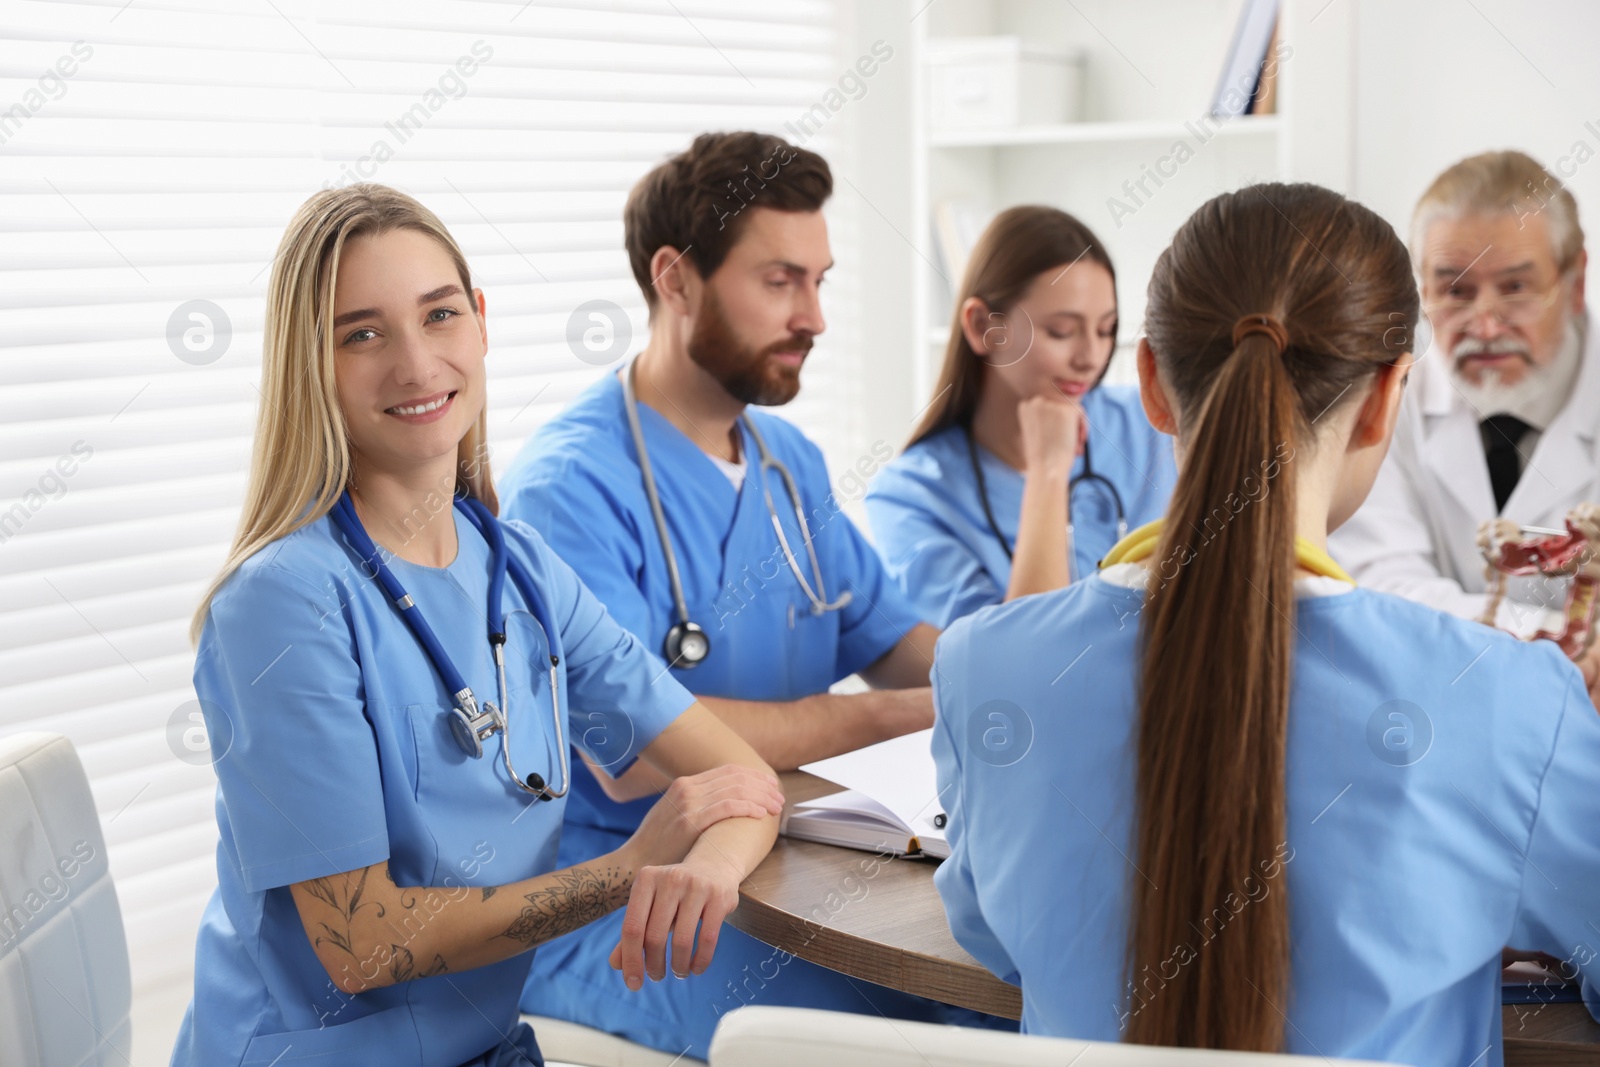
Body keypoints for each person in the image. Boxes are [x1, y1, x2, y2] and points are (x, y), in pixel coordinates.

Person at [930, 182, 1600, 1061]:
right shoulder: (1513, 698)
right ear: (1386, 398)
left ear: (1152, 387)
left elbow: (993, 935)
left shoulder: (985, 663)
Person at [172, 183, 787, 1067]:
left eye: (439, 314)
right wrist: (627, 870)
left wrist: (710, 867)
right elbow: (364, 943)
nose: (417, 364)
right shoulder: (282, 603)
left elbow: (739, 776)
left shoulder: (523, 570)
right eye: (362, 333)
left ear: (482, 322)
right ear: (310, 363)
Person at [500, 132, 976, 1057]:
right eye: (780, 280)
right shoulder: (569, 488)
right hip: (629, 905)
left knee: (996, 989)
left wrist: (1025, 662)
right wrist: (906, 713)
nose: (814, 317)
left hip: (791, 861)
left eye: (821, 281)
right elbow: (635, 758)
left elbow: (888, 636)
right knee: (912, 1033)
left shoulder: (787, 464)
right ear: (675, 279)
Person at [1330, 150, 1600, 696]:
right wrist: (1558, 644)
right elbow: (1382, 588)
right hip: (1435, 710)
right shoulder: (1382, 398)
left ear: (1574, 284)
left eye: (1515, 288)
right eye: (1456, 290)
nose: (1485, 322)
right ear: (1420, 294)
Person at [865, 206, 1177, 626]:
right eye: (1061, 332)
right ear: (982, 327)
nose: (1090, 358)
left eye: (1105, 330)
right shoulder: (910, 497)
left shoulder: (1152, 425)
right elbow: (1012, 666)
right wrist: (1048, 472)